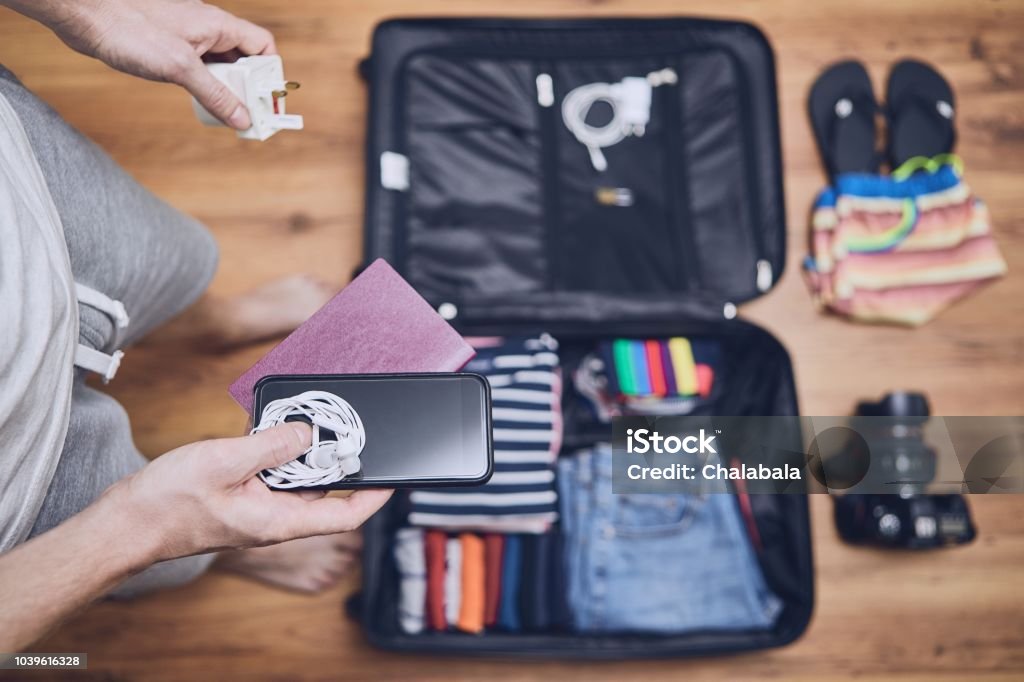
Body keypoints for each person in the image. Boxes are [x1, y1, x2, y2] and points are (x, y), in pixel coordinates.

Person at [0, 0, 392, 651]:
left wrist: (91, 9)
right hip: (16, 489)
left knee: (177, 260)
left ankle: (213, 320)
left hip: (23, 193)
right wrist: (139, 532)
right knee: (160, 541)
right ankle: (223, 548)